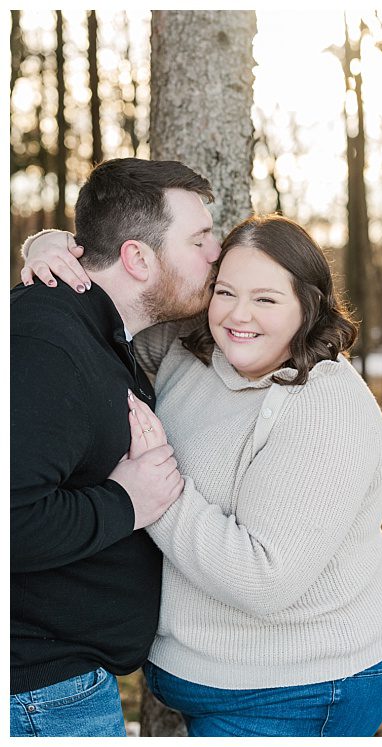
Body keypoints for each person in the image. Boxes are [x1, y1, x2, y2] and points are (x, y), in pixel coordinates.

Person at [22, 212, 382, 737]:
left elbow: (265, 578)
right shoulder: (193, 347)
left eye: (267, 299)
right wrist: (53, 249)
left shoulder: (326, 409)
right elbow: (115, 313)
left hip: (302, 684)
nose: (238, 315)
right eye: (225, 292)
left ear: (309, 305)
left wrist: (154, 493)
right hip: (203, 672)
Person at [10, 158, 221, 737]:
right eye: (200, 240)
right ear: (137, 258)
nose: (215, 254)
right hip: (38, 695)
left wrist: (47, 241)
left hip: (58, 685)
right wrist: (126, 502)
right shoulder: (46, 346)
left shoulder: (92, 328)